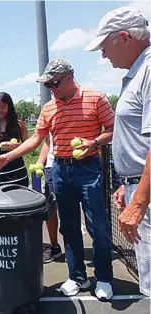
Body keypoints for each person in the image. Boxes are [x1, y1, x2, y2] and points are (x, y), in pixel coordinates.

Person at [0, 59, 115, 300]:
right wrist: (8, 156)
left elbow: (113, 129)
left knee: (98, 226)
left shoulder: (96, 98)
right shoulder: (48, 108)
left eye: (54, 82)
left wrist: (94, 143)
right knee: (68, 226)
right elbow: (35, 139)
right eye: (48, 84)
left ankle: (103, 277)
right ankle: (77, 276)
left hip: (89, 168)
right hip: (60, 169)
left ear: (70, 77)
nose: (51, 87)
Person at [85, 6, 150, 297]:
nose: (103, 55)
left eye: (104, 46)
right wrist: (130, 184)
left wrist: (139, 202)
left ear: (124, 37)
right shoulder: (138, 72)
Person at [0, 92, 29, 189]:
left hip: (17, 169)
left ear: (9, 107)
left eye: (3, 107)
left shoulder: (19, 124)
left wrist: (16, 146)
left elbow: (28, 145)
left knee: (20, 198)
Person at [36, 134, 62, 264]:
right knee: (51, 209)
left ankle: (74, 248)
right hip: (51, 167)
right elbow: (48, 142)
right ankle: (54, 246)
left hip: (76, 166)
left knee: (70, 210)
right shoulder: (48, 113)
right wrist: (40, 162)